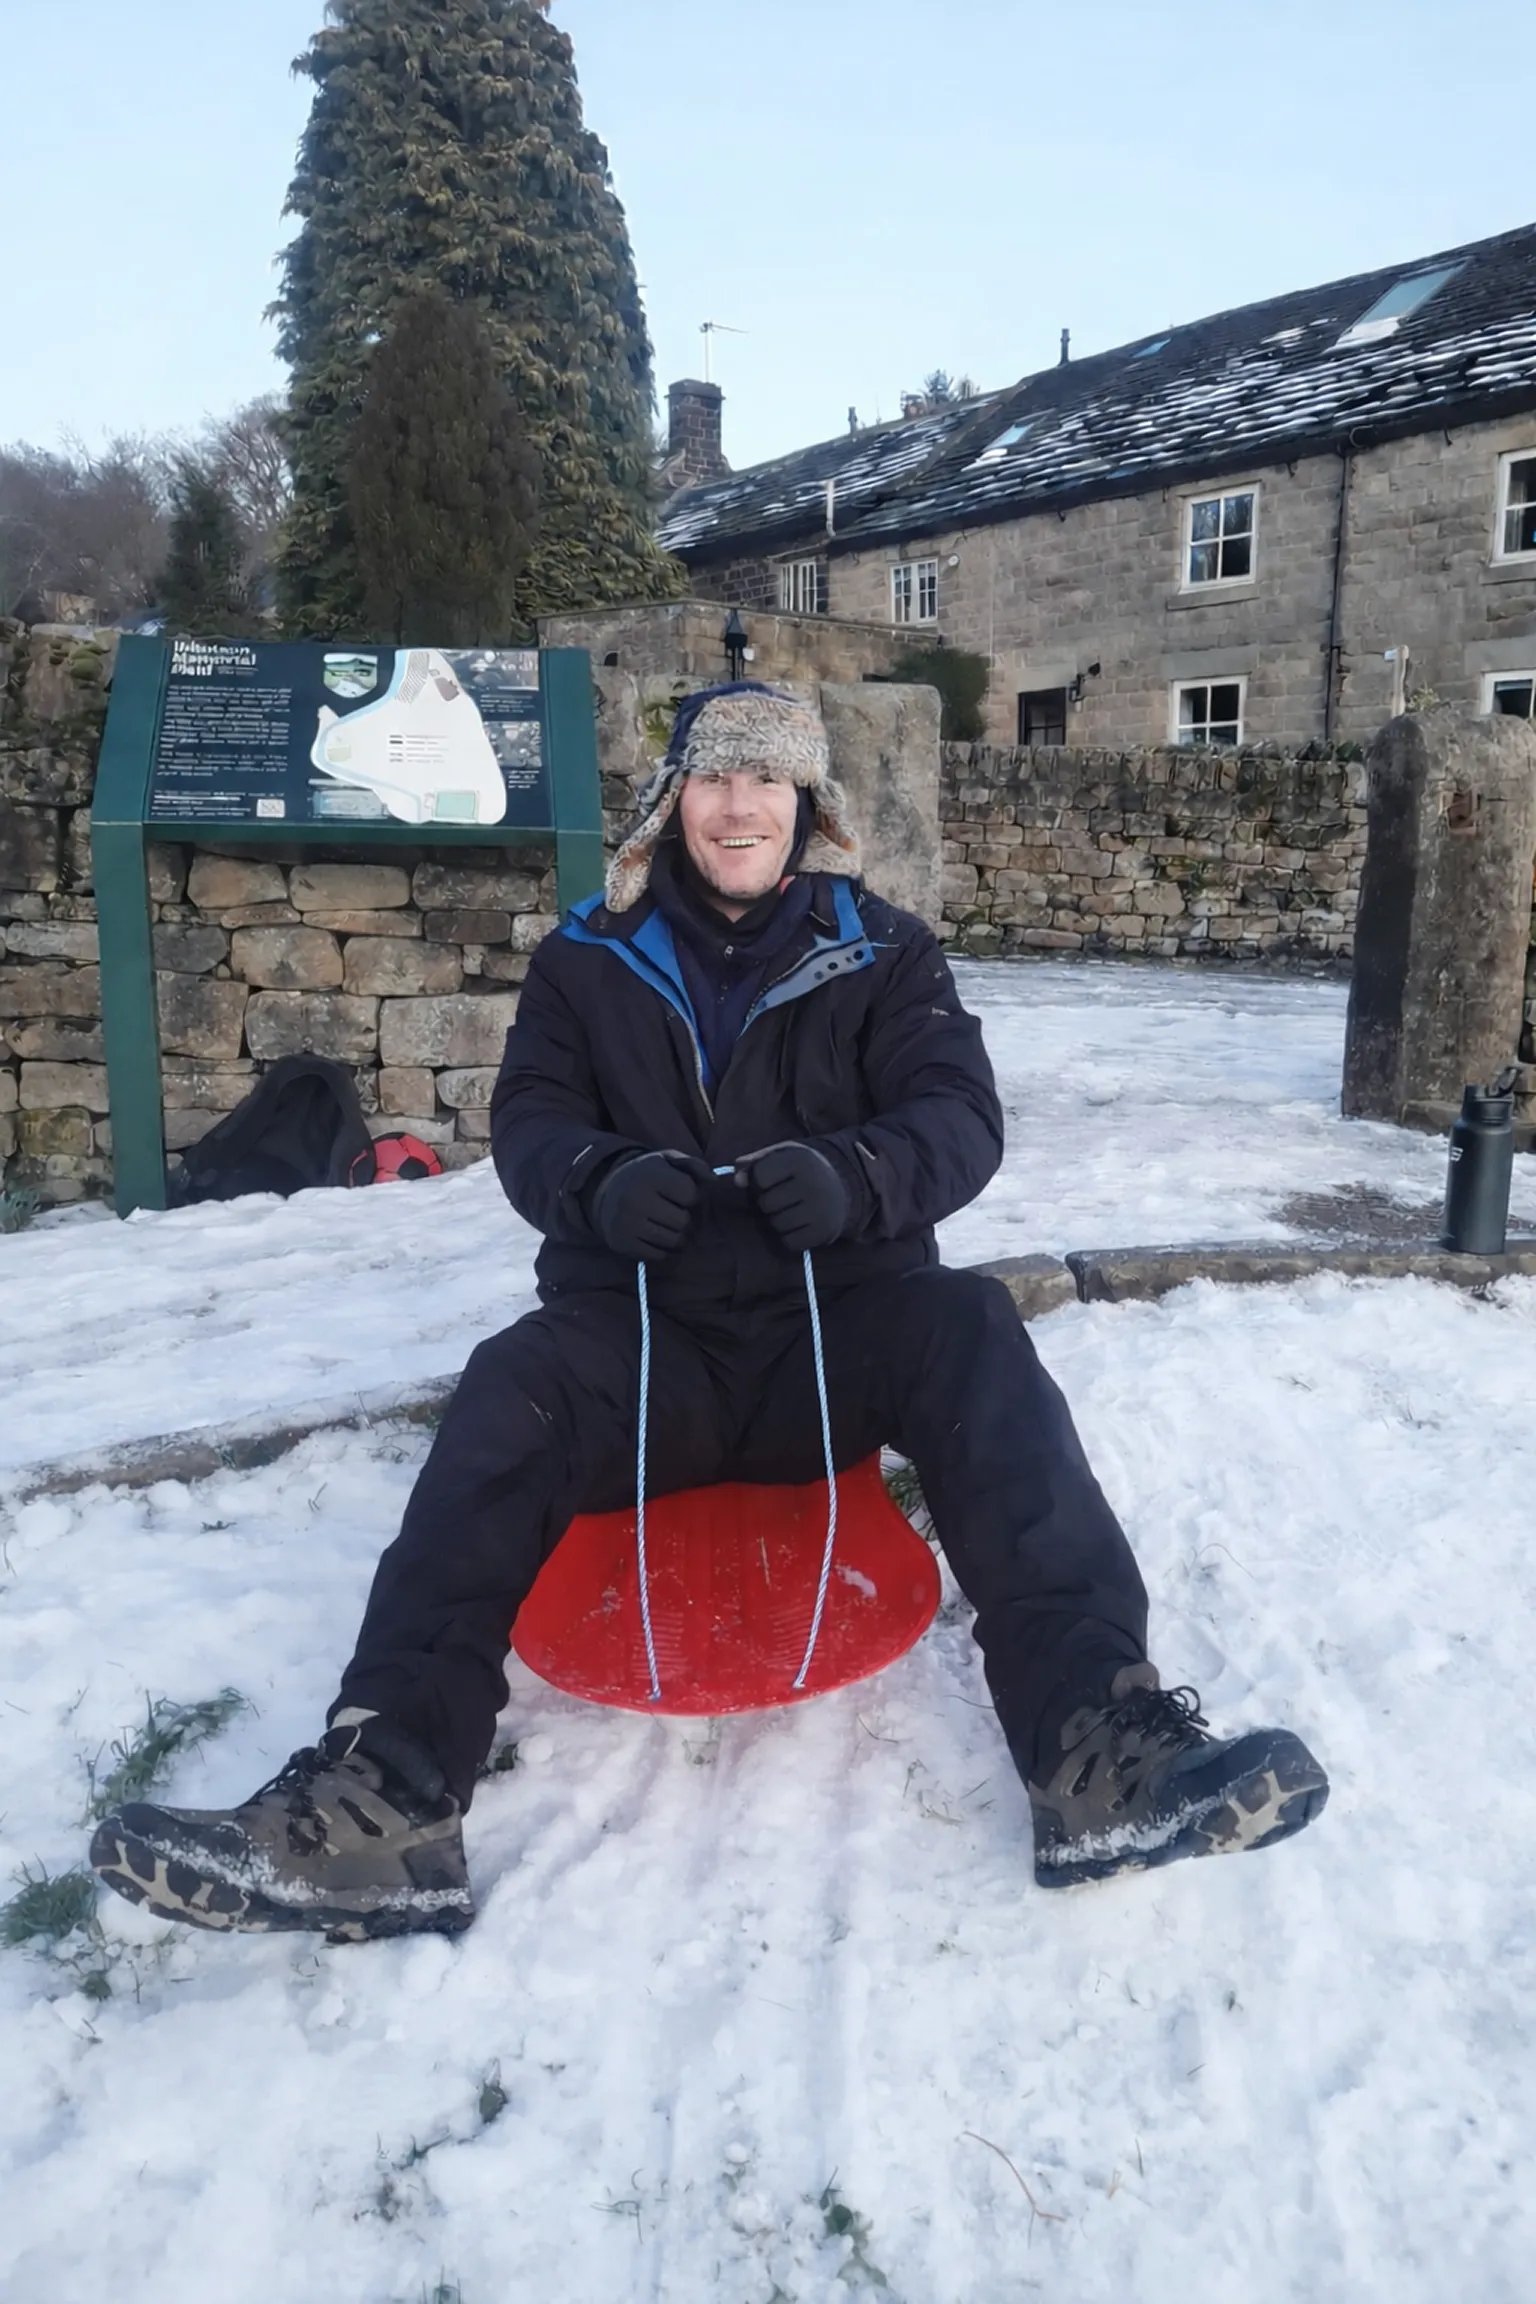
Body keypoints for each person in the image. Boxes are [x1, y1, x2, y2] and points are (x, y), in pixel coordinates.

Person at [89, 683, 1328, 1942]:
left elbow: (962, 1118)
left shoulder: (888, 948)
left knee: (976, 1332)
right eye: (716, 779)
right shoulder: (586, 955)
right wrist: (595, 1181)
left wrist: (858, 1175)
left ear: (808, 806)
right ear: (674, 800)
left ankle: (1098, 1745)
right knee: (508, 1384)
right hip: (645, 1344)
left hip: (839, 1330)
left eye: (768, 782)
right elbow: (529, 1125)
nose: (740, 806)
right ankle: (385, 1795)